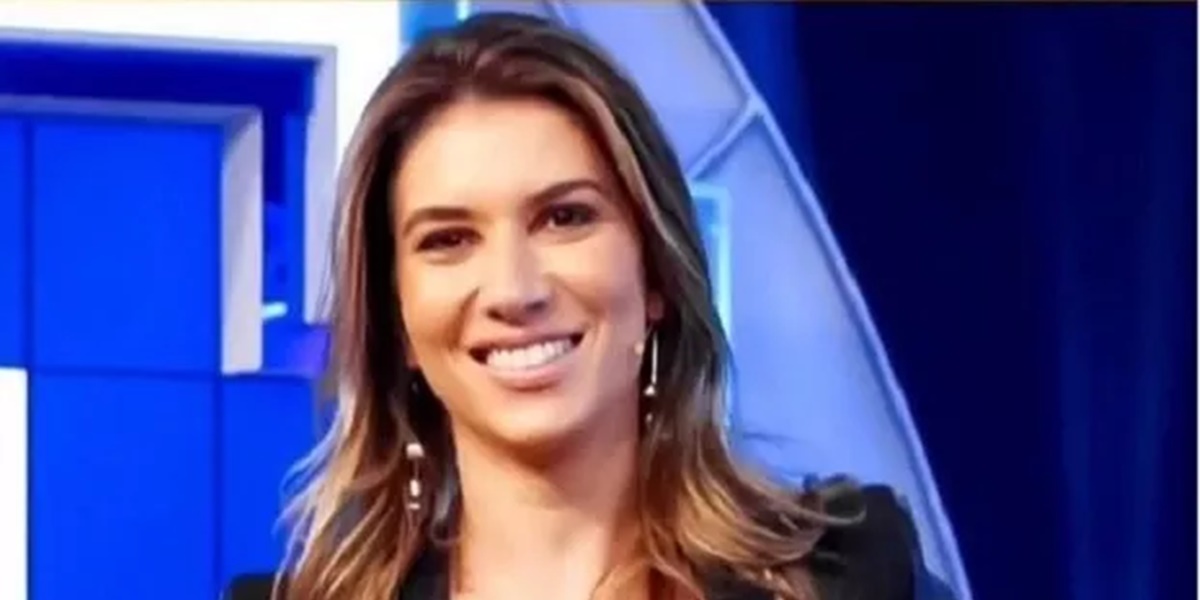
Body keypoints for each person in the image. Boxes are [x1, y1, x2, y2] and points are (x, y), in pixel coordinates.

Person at [227, 11, 927, 600]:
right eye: (449, 240)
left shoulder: (846, 580)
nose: (514, 290)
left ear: (654, 274)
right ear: (398, 318)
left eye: (564, 218)